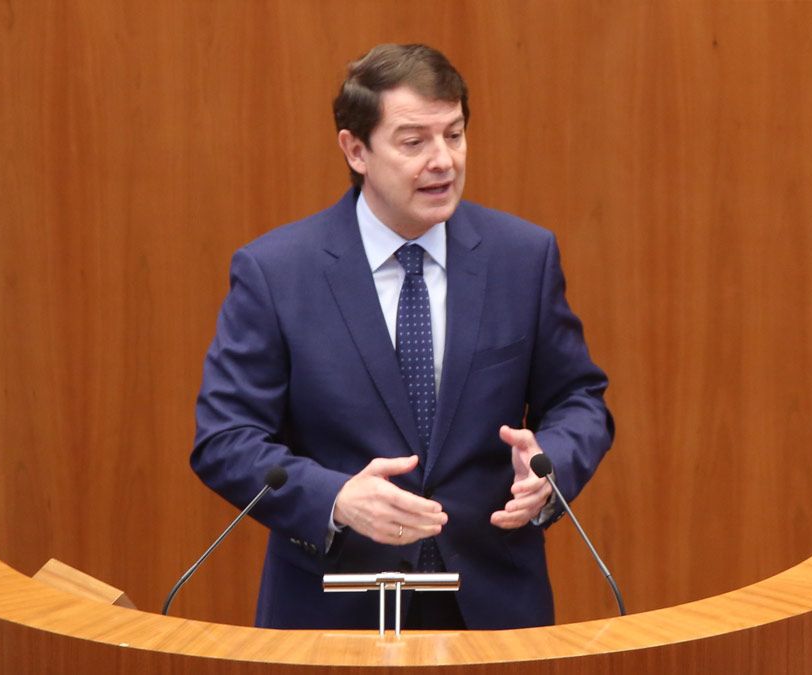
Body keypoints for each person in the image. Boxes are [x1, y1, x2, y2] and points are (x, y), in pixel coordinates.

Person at [192, 43, 613, 630]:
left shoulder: (523, 257)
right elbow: (225, 438)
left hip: (491, 608)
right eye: (414, 142)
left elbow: (578, 400)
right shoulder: (277, 272)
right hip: (332, 610)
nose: (443, 161)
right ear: (355, 149)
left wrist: (550, 465)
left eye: (455, 135)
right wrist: (334, 498)